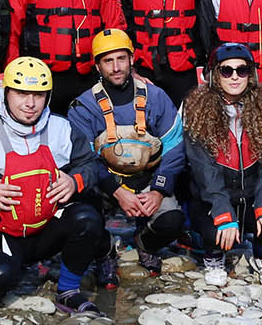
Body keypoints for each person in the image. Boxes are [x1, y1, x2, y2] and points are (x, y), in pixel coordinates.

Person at [0, 57, 111, 314]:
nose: (30, 104)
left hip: (45, 228)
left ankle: (68, 291)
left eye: (38, 95)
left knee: (87, 217)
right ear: (6, 93)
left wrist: (74, 181)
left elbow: (90, 164)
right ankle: (6, 266)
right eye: (21, 94)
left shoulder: (61, 128)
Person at [67, 29, 185, 283]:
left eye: (121, 59)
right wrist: (118, 192)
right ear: (98, 66)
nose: (116, 67)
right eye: (108, 61)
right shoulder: (83, 106)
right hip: (105, 184)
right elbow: (83, 159)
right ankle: (105, 252)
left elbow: (175, 147)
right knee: (84, 220)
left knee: (172, 220)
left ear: (132, 60)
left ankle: (145, 243)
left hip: (147, 180)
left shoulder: (156, 97)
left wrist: (159, 190)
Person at [181, 44, 262, 288]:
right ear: (214, 75)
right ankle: (214, 257)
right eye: (226, 71)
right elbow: (204, 173)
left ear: (252, 75)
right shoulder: (197, 111)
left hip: (249, 194)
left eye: (242, 70)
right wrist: (222, 212)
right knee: (213, 230)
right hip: (216, 194)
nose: (235, 76)